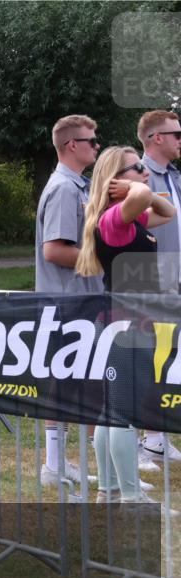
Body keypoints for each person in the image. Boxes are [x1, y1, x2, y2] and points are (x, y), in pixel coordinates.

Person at [75, 146, 176, 509]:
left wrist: (134, 190)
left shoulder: (127, 218)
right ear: (117, 179)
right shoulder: (114, 220)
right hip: (126, 325)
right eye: (138, 167)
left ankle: (109, 490)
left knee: (111, 411)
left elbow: (169, 211)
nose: (146, 171)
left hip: (128, 323)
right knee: (124, 412)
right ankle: (131, 497)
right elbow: (149, 196)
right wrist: (134, 191)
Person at [34, 114, 111, 486]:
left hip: (81, 299)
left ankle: (65, 461)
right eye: (92, 141)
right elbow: (54, 251)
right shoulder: (64, 189)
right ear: (71, 146)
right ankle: (53, 464)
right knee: (63, 381)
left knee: (80, 380)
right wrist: (101, 261)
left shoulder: (76, 186)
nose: (97, 146)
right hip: (68, 301)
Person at [137, 110, 181, 464]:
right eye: (176, 134)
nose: (180, 140)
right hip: (147, 281)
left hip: (174, 281)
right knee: (146, 357)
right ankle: (144, 437)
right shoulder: (137, 177)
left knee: (166, 358)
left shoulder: (175, 177)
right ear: (156, 138)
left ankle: (157, 436)